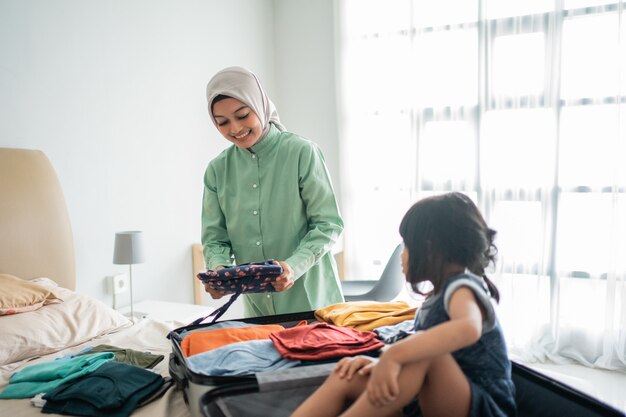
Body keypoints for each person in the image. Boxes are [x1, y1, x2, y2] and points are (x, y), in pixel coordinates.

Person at [291, 192, 516, 417]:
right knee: (347, 375)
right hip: (430, 400)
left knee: (424, 350)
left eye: (406, 246)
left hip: (481, 407)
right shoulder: (436, 297)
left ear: (429, 249)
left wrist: (393, 355)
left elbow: (468, 328)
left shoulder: (463, 287)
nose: (402, 255)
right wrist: (379, 363)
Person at [201, 66, 344, 318]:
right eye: (222, 122)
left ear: (259, 105)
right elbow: (215, 239)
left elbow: (328, 224)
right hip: (258, 309)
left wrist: (293, 266)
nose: (235, 129)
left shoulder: (302, 153)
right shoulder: (217, 170)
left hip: (313, 302)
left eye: (243, 115)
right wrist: (219, 271)